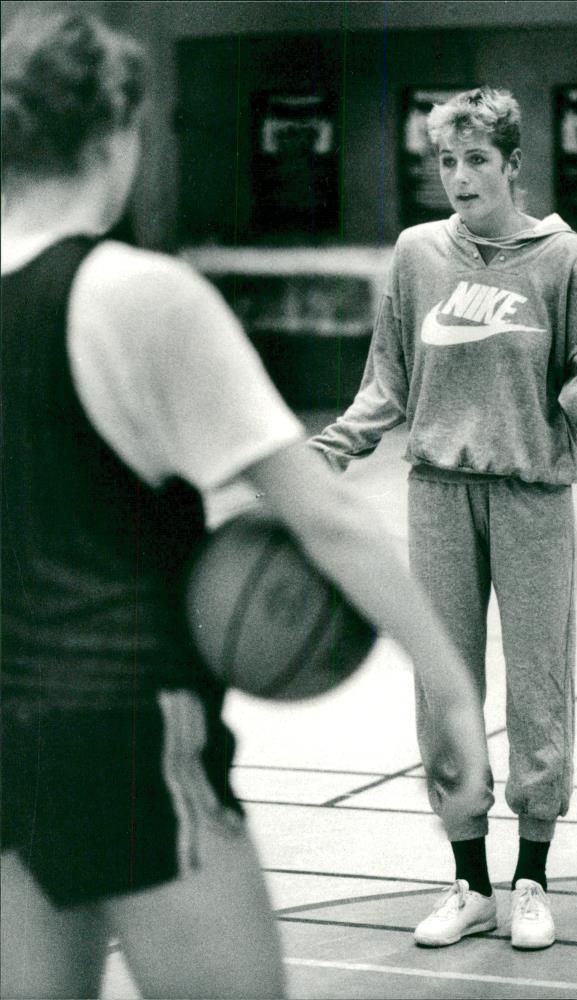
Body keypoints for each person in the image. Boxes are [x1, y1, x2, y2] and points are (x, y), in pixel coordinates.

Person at [0, 13, 491, 999]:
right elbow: (328, 519)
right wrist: (454, 693)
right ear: (119, 133)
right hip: (127, 740)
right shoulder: (136, 296)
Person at [309, 86, 577, 951]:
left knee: (539, 683)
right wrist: (325, 451)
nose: (460, 177)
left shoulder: (563, 261)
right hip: (436, 490)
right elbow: (385, 382)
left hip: (531, 495)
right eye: (446, 160)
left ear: (513, 164)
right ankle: (469, 882)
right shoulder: (415, 253)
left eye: (476, 160)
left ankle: (532, 875)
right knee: (446, 685)